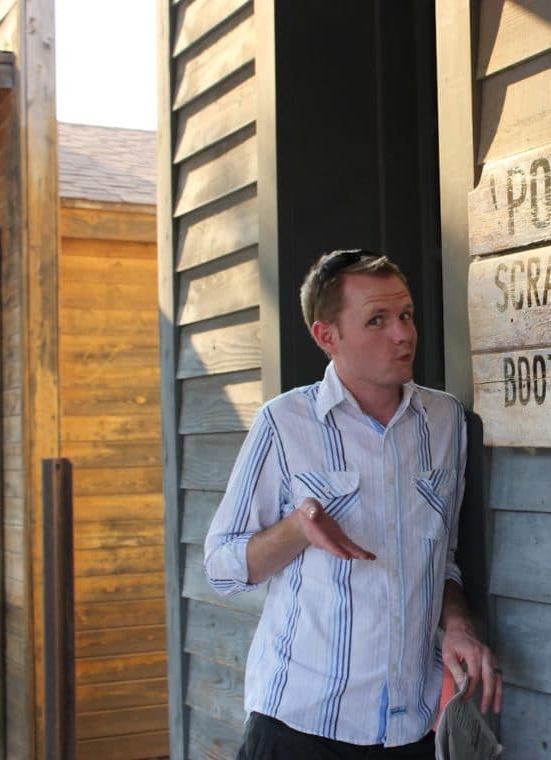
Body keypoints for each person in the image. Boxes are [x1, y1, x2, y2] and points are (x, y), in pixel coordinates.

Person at [204, 249, 502, 759]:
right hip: (300, 724)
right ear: (327, 337)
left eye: (405, 315)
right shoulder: (283, 424)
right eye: (377, 321)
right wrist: (299, 528)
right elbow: (222, 567)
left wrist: (457, 625)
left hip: (411, 726)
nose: (403, 334)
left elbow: (443, 562)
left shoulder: (446, 421)